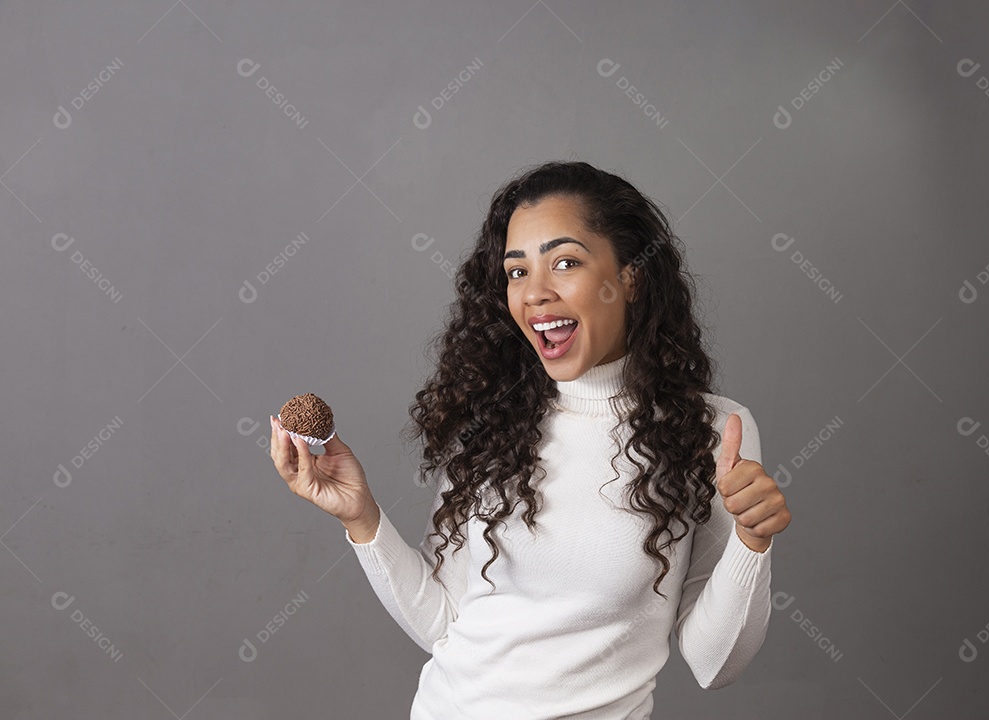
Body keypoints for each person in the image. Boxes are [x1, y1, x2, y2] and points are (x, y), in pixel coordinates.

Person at [269, 160, 791, 719]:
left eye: (565, 262)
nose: (535, 293)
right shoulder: (496, 423)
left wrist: (751, 542)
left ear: (630, 277)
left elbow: (715, 664)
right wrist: (362, 519)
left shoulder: (710, 433)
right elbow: (444, 623)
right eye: (517, 271)